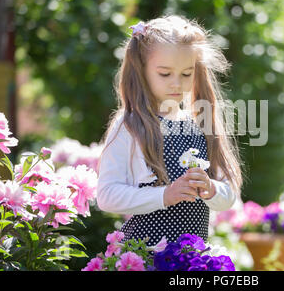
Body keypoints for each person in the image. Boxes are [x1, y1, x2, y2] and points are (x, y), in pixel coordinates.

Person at [96, 15, 243, 247]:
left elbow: (229, 194)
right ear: (141, 70)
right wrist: (164, 195)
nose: (177, 83)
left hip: (191, 259)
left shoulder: (201, 124)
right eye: (165, 74)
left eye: (186, 73)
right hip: (145, 257)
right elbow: (107, 196)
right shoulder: (130, 126)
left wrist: (211, 188)